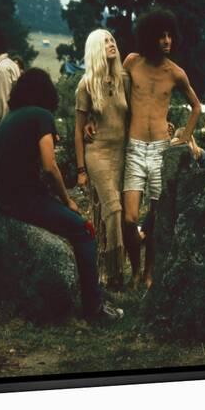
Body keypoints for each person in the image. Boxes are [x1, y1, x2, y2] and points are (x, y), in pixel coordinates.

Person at [0, 67, 123, 321]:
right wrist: (68, 201)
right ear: (46, 92)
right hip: (24, 199)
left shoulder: (11, 117)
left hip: (3, 199)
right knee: (84, 231)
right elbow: (50, 167)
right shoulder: (41, 116)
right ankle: (94, 309)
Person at [122, 8, 201, 289]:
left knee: (154, 219)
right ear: (149, 36)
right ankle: (134, 269)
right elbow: (114, 97)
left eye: (170, 35)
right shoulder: (131, 62)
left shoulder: (176, 73)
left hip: (159, 150)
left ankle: (148, 273)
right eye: (161, 35)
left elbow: (196, 106)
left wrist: (183, 137)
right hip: (133, 148)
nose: (167, 40)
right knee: (130, 219)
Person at [75, 29, 135, 291]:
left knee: (116, 215)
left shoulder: (124, 78)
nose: (111, 43)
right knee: (113, 209)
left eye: (113, 39)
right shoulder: (86, 84)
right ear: (96, 49)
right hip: (97, 152)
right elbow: (78, 131)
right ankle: (114, 275)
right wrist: (80, 170)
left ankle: (107, 268)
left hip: (121, 153)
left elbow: (134, 114)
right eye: (105, 41)